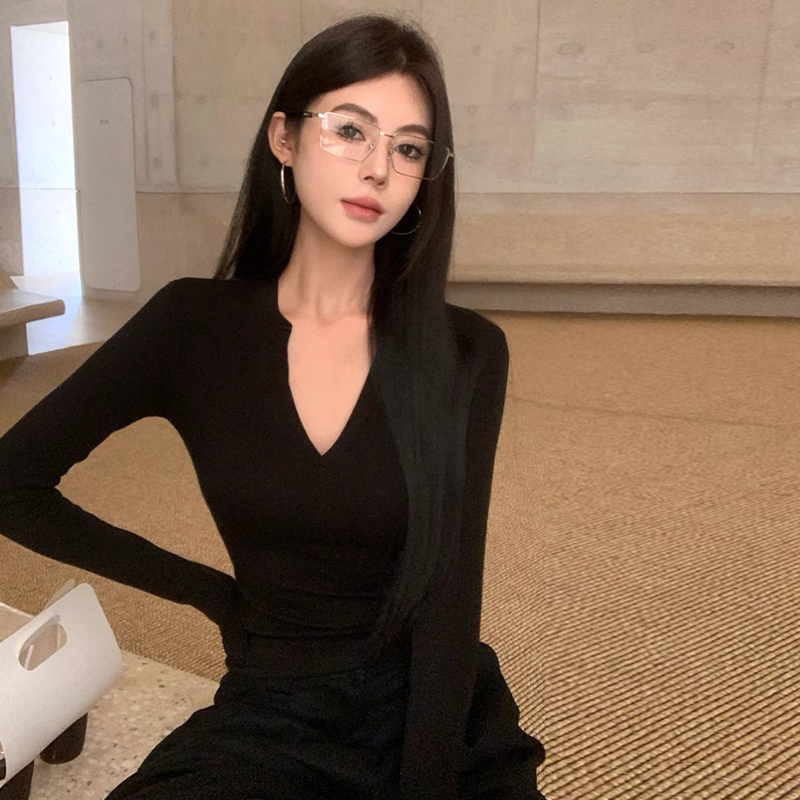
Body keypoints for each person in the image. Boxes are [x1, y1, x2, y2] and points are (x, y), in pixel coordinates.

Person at [0, 12, 546, 800]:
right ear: (284, 138)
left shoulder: (467, 351)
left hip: (436, 710)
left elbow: (449, 603)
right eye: (350, 131)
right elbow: (12, 484)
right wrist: (207, 592)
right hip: (276, 704)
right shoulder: (192, 324)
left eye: (409, 148)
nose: (379, 169)